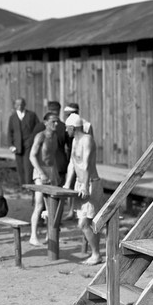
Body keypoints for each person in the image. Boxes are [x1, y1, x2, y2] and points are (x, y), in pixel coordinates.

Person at [63, 113, 104, 265]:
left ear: (73, 128)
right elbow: (72, 164)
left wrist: (86, 186)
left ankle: (96, 254)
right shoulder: (74, 141)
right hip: (80, 184)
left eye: (67, 128)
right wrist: (68, 183)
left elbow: (86, 164)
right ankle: (95, 253)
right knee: (86, 221)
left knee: (85, 222)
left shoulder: (87, 140)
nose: (66, 131)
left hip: (91, 183)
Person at [28, 112, 61, 247]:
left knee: (52, 205)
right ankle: (33, 236)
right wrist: (41, 173)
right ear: (45, 122)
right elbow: (32, 156)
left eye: (57, 121)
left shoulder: (55, 136)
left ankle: (50, 235)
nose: (56, 124)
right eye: (53, 121)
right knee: (39, 204)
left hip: (52, 171)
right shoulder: (40, 136)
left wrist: (56, 173)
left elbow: (52, 157)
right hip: (40, 171)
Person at [7, 97, 43, 187]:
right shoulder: (13, 117)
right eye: (17, 104)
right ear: (15, 106)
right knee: (20, 167)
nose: (19, 106)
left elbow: (38, 127)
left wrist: (33, 139)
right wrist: (11, 145)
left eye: (21, 104)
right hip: (17, 145)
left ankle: (28, 185)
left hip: (29, 144)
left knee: (28, 166)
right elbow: (10, 132)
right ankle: (22, 185)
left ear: (24, 104)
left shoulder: (31, 115)